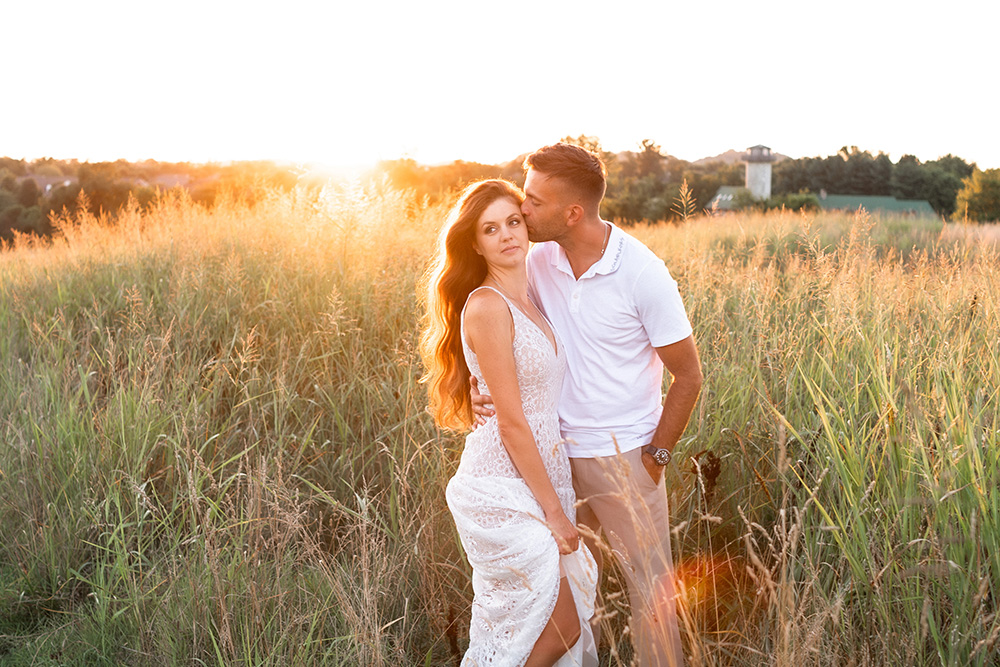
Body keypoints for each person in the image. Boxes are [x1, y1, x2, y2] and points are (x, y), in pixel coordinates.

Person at [473, 144, 703, 666]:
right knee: (568, 592)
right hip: (551, 458)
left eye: (534, 201)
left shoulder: (643, 273)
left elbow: (689, 376)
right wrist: (473, 378)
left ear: (572, 213)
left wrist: (656, 458)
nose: (523, 209)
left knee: (651, 596)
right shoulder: (535, 259)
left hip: (625, 460)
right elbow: (494, 320)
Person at [421, 179, 598, 666]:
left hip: (541, 477)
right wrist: (555, 514)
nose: (506, 235)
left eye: (513, 222)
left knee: (537, 623)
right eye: (490, 229)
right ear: (475, 244)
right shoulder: (487, 305)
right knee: (562, 625)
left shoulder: (531, 301)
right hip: (500, 487)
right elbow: (512, 423)